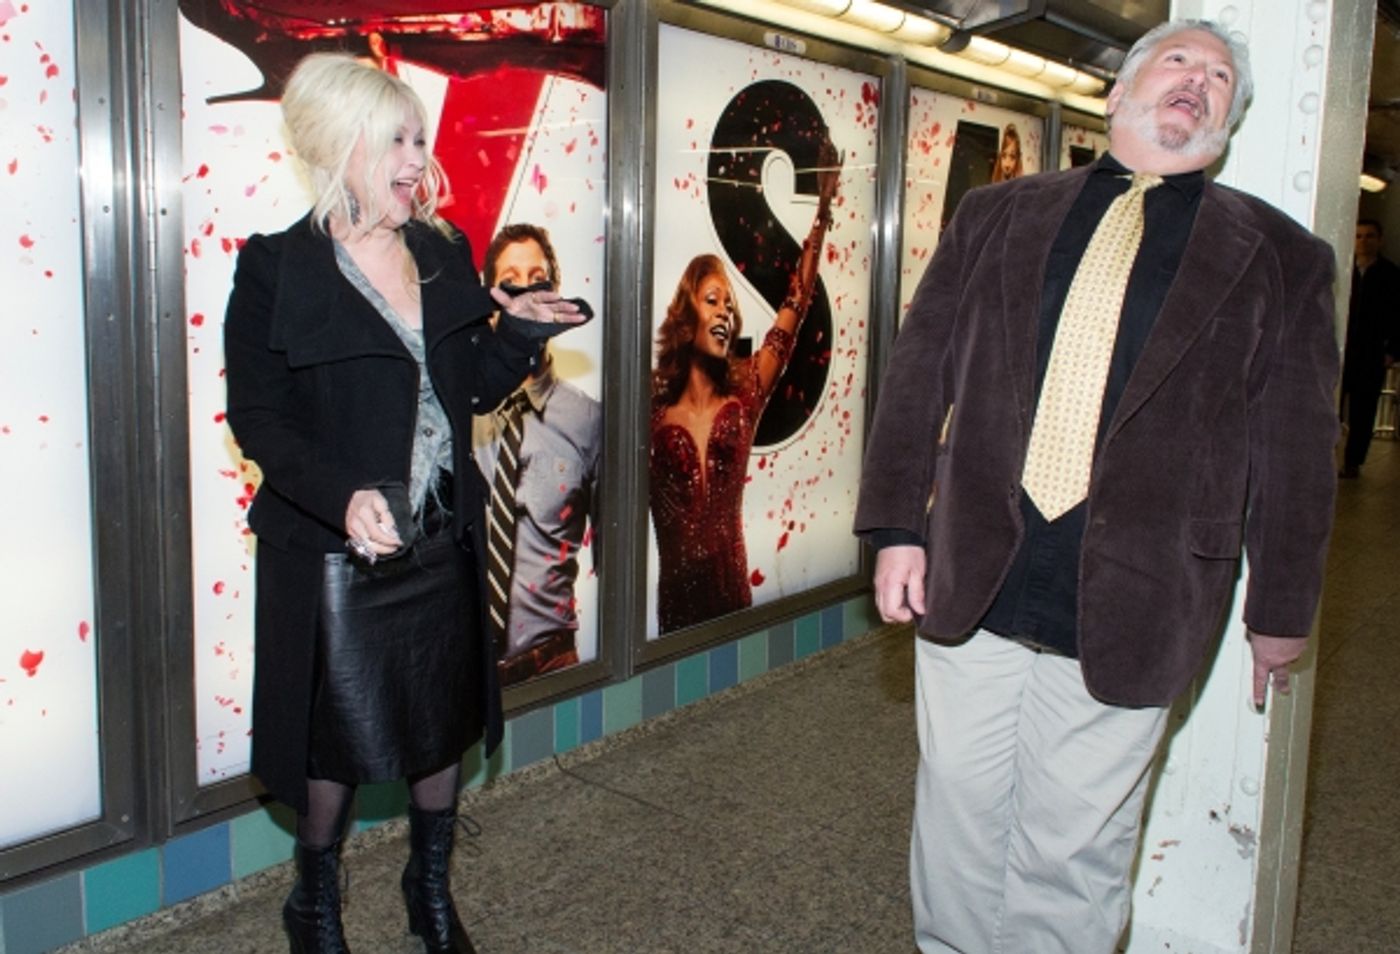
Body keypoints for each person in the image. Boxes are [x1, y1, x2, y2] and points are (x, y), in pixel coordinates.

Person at [855, 20, 1338, 954]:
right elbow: (920, 370)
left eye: (1220, 77)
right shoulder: (996, 215)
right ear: (1118, 92)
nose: (1199, 81)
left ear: (1228, 121)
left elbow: (1296, 447)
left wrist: (1281, 606)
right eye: (1179, 61)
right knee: (955, 815)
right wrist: (894, 529)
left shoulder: (1281, 257)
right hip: (976, 568)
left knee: (1073, 847)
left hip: (1142, 591)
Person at [223, 53, 586, 954]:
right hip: (337, 552)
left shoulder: (443, 250)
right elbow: (258, 416)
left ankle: (429, 891)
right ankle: (315, 898)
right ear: (339, 145)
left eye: (421, 139)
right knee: (331, 741)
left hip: (436, 542)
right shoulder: (277, 268)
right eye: (397, 140)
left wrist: (522, 337)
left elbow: (471, 392)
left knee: (439, 726)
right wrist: (340, 497)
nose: (417, 160)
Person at [649, 143, 840, 634]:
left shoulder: (747, 387)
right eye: (712, 300)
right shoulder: (649, 403)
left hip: (734, 595)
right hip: (675, 608)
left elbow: (795, 305)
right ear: (686, 313)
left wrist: (821, 215)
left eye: (730, 305)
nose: (725, 312)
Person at [471, 224, 601, 684]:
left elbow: (613, 554)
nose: (527, 291)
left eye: (539, 279)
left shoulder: (588, 421)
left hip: (552, 663)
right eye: (511, 279)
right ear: (490, 299)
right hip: (462, 664)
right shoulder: (456, 410)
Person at [1338, 218, 1400, 477]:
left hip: (1371, 352)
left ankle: (1353, 462)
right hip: (1341, 351)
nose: (1364, 241)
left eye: (1369, 236)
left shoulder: (1391, 275)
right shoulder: (1343, 269)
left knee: (1364, 411)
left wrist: (1392, 352)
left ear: (1379, 240)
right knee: (1331, 406)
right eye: (1359, 236)